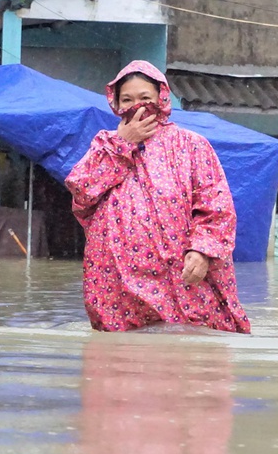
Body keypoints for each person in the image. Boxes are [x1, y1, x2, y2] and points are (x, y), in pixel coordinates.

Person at [65, 60, 251, 334]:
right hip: (116, 279)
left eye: (145, 98)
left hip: (179, 274)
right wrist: (123, 143)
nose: (137, 106)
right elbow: (81, 193)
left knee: (186, 352)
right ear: (115, 103)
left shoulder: (191, 145)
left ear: (161, 98)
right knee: (121, 361)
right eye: (127, 99)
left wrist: (202, 252)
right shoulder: (104, 145)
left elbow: (217, 206)